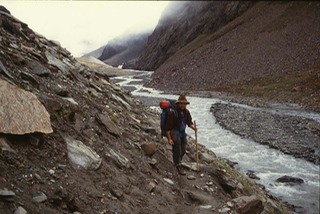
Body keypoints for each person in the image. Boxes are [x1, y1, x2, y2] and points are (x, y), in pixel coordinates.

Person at [165, 94, 197, 175]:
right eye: (181, 103)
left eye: (184, 103)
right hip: (174, 132)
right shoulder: (173, 113)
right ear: (178, 104)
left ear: (186, 104)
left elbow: (189, 122)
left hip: (182, 133)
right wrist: (169, 139)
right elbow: (168, 128)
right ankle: (178, 165)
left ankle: (178, 161)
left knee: (183, 149)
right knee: (177, 148)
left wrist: (194, 128)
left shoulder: (186, 112)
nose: (183, 105)